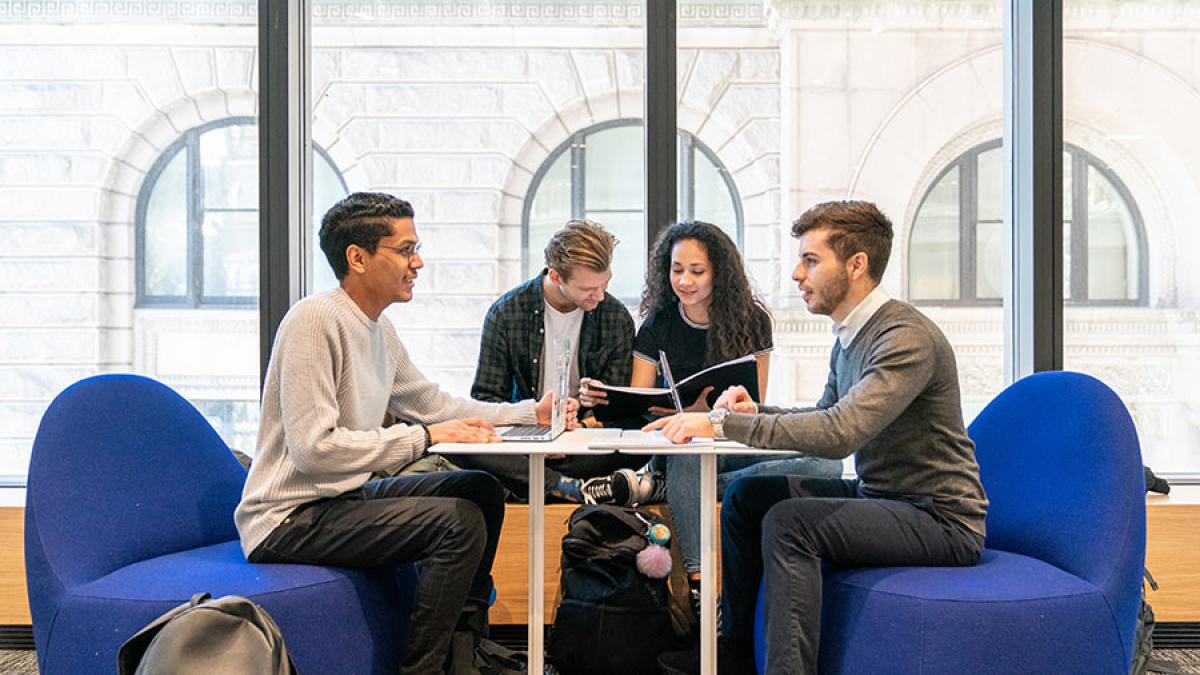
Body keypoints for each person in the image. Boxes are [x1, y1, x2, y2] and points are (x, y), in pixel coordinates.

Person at [235, 192, 575, 675]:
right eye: (405, 249)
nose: (418, 262)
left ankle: (465, 651)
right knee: (456, 521)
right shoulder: (314, 321)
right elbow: (314, 452)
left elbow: (433, 405)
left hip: (339, 499)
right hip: (288, 518)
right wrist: (425, 438)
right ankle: (422, 669)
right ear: (357, 257)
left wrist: (529, 413)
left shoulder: (379, 330)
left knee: (478, 490)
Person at [648, 201, 989, 675]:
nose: (795, 274)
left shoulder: (903, 338)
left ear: (856, 265)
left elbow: (840, 433)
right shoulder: (851, 334)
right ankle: (736, 654)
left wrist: (723, 424)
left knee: (792, 523)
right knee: (748, 497)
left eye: (810, 261)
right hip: (885, 498)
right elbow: (824, 413)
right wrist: (754, 411)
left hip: (939, 519)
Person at [582, 221, 841, 607]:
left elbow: (754, 405)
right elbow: (640, 405)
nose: (684, 281)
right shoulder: (657, 325)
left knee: (829, 465)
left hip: (731, 442)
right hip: (674, 448)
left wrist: (714, 416)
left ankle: (660, 488)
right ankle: (703, 584)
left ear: (719, 272)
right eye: (676, 270)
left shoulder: (752, 321)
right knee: (691, 448)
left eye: (697, 271)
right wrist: (683, 415)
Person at [452, 218, 645, 502]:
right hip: (523, 440)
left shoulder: (614, 317)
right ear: (555, 277)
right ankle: (570, 486)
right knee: (461, 445)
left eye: (605, 283)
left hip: (585, 442)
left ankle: (547, 484)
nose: (600, 296)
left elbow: (619, 410)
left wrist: (587, 418)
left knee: (642, 438)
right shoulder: (507, 313)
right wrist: (533, 424)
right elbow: (486, 397)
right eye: (588, 289)